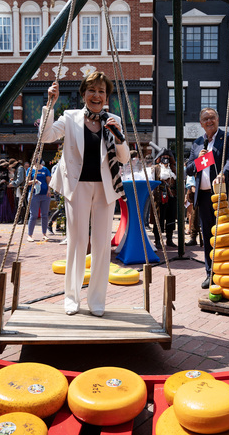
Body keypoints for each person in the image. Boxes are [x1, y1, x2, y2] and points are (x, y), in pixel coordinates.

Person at [39, 71, 130, 316]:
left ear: (107, 96)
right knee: (77, 244)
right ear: (83, 94)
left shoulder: (114, 119)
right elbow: (46, 136)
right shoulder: (70, 117)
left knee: (102, 245)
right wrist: (50, 104)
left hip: (104, 188)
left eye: (101, 91)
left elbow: (124, 158)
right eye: (92, 90)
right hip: (77, 186)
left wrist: (117, 137)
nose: (97, 95)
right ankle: (71, 298)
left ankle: (97, 301)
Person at [186, 107, 229, 289]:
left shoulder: (228, 138)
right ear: (201, 124)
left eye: (212, 118)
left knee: (225, 235)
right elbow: (188, 168)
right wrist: (199, 161)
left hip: (222, 196)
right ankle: (210, 273)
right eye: (205, 119)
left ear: (218, 120)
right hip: (203, 197)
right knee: (209, 235)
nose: (209, 121)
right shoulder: (197, 144)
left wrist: (223, 174)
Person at [151, 148, 177, 249]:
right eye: (163, 157)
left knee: (171, 218)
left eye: (167, 157)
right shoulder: (156, 168)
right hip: (160, 197)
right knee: (159, 218)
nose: (165, 159)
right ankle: (157, 240)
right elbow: (152, 183)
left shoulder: (173, 169)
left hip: (172, 197)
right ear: (159, 158)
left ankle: (169, 240)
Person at [27, 159, 51, 242]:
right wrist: (33, 181)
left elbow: (49, 181)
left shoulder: (45, 169)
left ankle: (44, 234)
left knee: (44, 215)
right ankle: (30, 235)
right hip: (34, 194)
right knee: (33, 215)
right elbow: (27, 182)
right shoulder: (30, 169)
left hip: (45, 194)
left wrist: (49, 190)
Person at [8, 159, 26, 224]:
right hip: (18, 188)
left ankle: (22, 218)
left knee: (21, 204)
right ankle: (20, 218)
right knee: (18, 204)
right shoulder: (19, 168)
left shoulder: (20, 168)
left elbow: (20, 179)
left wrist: (13, 184)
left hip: (20, 188)